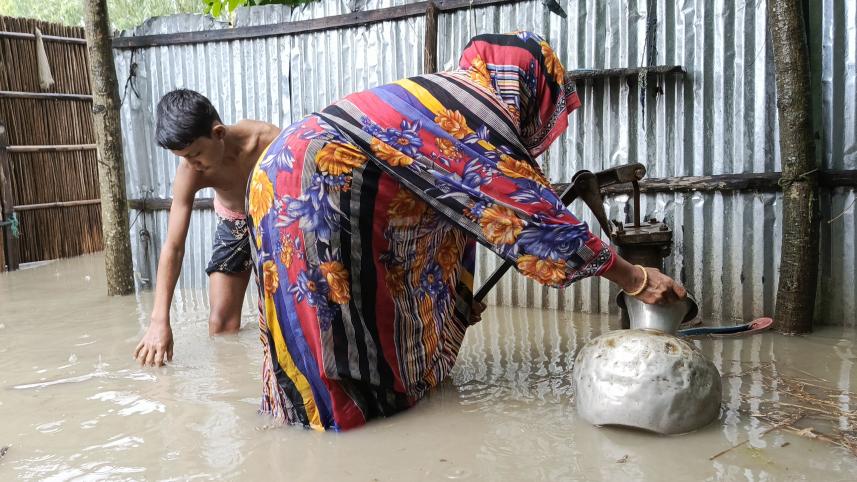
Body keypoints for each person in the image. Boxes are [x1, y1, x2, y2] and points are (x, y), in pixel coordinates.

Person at [246, 31, 686, 431]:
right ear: (529, 86)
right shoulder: (477, 107)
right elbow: (532, 219)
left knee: (321, 311)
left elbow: (452, 212)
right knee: (337, 314)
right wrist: (637, 279)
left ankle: (307, 422)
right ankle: (347, 435)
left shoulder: (448, 91)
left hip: (280, 170)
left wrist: (455, 299)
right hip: (321, 184)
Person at [134, 89, 281, 366]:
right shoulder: (190, 172)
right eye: (184, 157)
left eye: (195, 154)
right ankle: (231, 392)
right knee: (222, 324)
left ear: (219, 133)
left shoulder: (267, 139)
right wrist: (158, 320)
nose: (191, 164)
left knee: (287, 313)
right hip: (234, 222)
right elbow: (174, 247)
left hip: (272, 218)